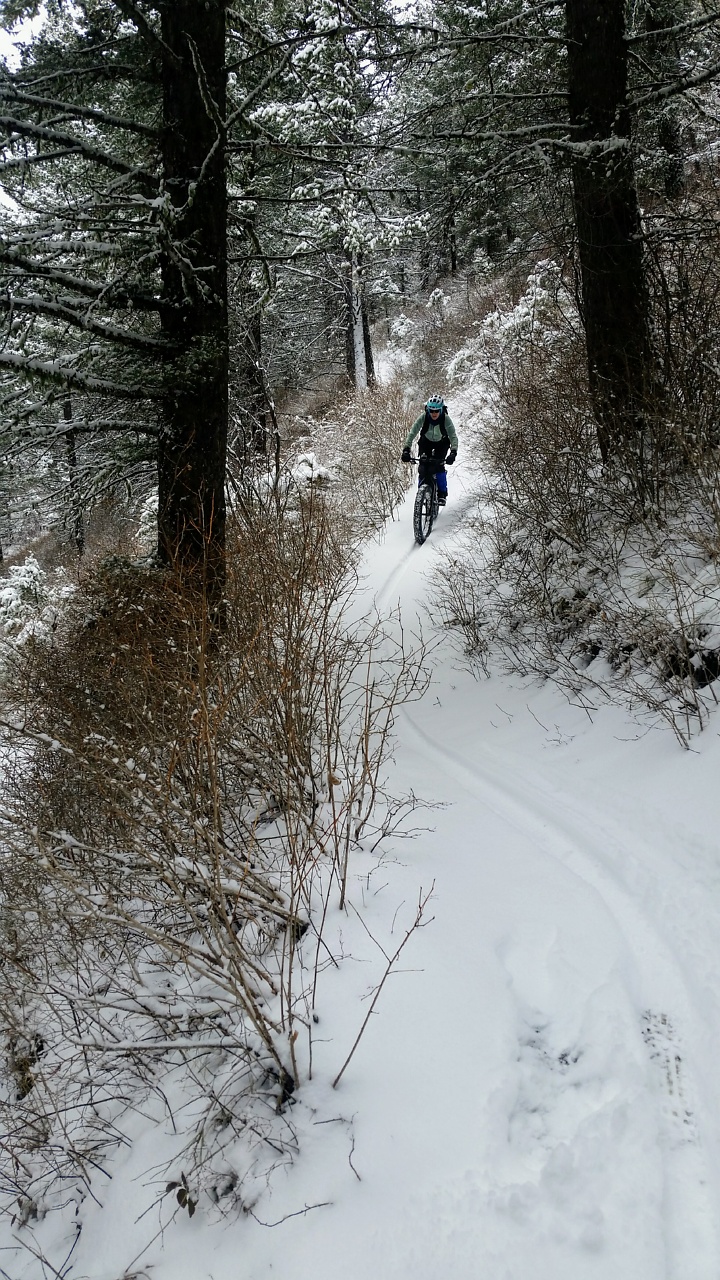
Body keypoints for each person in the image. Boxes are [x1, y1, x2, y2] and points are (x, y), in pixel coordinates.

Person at [401, 395, 458, 505]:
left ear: (441, 410)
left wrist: (453, 452)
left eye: (436, 411)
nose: (434, 413)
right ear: (428, 409)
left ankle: (442, 494)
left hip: (442, 444)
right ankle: (421, 493)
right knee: (423, 467)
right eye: (431, 410)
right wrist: (406, 449)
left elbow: (453, 436)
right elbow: (413, 432)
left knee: (439, 466)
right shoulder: (424, 417)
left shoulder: (446, 419)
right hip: (426, 442)